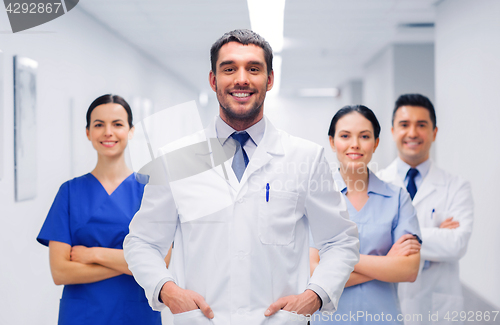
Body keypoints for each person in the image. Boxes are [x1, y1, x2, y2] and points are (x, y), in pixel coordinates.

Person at [123, 29, 360, 325]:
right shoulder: (176, 159)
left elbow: (340, 240)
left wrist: (314, 296)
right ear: (213, 80)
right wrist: (167, 291)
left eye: (254, 69)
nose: (241, 79)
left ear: (270, 79)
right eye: (229, 69)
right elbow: (142, 242)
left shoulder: (305, 158)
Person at [37, 94, 161, 325]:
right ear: (88, 133)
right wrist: (133, 265)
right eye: (98, 125)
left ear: (131, 131)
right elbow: (60, 272)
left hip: (135, 312)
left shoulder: (151, 190)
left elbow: (161, 262)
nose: (108, 132)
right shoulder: (70, 192)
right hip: (82, 315)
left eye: (117, 124)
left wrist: (92, 254)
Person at [309, 105, 421, 325]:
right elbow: (314, 271)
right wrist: (387, 264)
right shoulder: (316, 195)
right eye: (345, 136)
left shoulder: (398, 198)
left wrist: (335, 260)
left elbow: (409, 270)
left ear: (376, 143)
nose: (355, 144)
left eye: (364, 136)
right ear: (332, 142)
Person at [377, 94, 474, 324]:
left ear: (434, 132)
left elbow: (456, 244)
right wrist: (435, 233)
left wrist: (394, 234)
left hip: (438, 310)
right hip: (387, 304)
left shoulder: (456, 186)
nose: (412, 133)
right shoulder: (376, 184)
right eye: (404, 125)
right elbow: (367, 244)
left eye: (421, 125)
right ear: (392, 131)